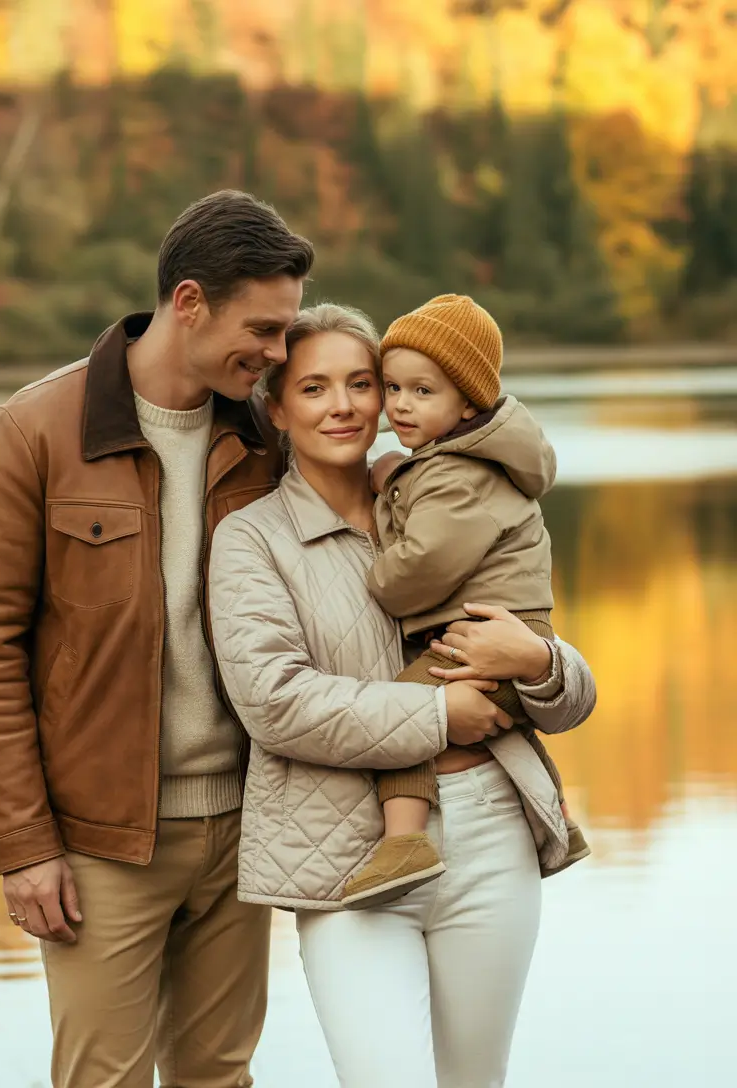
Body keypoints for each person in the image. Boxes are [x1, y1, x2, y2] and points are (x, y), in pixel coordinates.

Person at [0, 190, 313, 1088]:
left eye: (286, 332)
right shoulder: (32, 432)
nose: (279, 353)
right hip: (100, 844)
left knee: (219, 1076)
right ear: (190, 303)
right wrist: (25, 847)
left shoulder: (265, 439)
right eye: (263, 330)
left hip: (245, 826)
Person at [208, 302, 596, 1088]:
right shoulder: (252, 539)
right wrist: (439, 713)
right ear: (276, 410)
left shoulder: (444, 491)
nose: (344, 405)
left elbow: (566, 696)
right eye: (313, 388)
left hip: (493, 830)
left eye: (362, 383)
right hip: (347, 856)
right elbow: (276, 703)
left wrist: (538, 661)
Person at [341, 293, 590, 909]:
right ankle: (560, 819)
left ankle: (404, 842)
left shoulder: (459, 475)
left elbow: (419, 569)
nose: (401, 404)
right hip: (494, 626)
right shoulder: (454, 461)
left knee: (405, 714)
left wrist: (376, 561)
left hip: (490, 630)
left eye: (422, 391)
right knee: (486, 717)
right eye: (392, 387)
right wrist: (399, 479)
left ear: (469, 403)